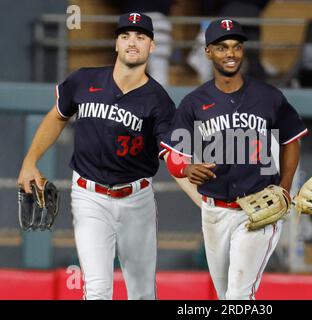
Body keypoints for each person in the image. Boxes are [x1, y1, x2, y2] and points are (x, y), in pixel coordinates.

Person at [17, 12, 199, 300]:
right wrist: (30, 161)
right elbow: (58, 116)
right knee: (98, 291)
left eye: (141, 37)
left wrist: (206, 203)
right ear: (116, 43)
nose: (132, 42)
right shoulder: (83, 79)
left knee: (142, 294)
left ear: (152, 47)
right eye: (125, 35)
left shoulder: (159, 101)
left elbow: (175, 160)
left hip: (136, 201)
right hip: (89, 196)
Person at [161, 19, 308, 300]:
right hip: (215, 212)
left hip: (258, 210)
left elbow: (291, 140)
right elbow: (174, 155)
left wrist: (285, 189)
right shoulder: (194, 102)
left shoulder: (268, 96)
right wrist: (187, 167)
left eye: (237, 47)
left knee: (237, 296)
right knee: (226, 294)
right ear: (208, 52)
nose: (231, 53)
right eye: (222, 47)